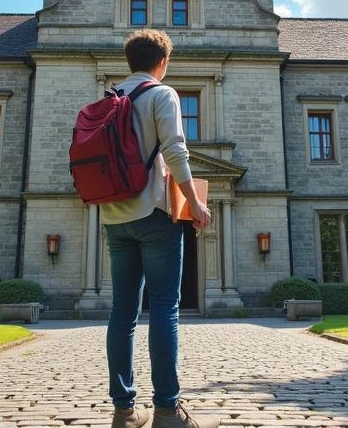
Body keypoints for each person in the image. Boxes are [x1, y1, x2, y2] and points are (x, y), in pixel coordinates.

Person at [100, 29, 219, 428]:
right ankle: (167, 411)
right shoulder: (162, 94)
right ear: (163, 63)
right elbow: (175, 151)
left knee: (122, 312)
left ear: (129, 60)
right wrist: (196, 203)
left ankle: (124, 411)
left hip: (115, 217)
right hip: (155, 214)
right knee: (165, 307)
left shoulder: (109, 98)